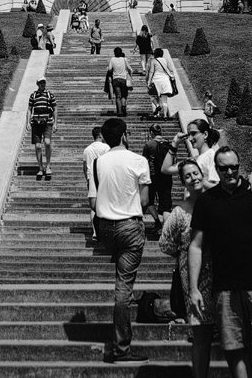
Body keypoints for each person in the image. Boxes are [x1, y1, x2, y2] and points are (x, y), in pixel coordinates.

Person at [189, 146, 252, 378]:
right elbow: (195, 245)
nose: (230, 172)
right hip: (226, 287)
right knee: (235, 349)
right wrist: (193, 288)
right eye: (224, 168)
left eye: (234, 167)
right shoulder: (207, 201)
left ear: (240, 166)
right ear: (216, 169)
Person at [88, 116, 151, 364]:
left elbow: (95, 196)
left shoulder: (98, 162)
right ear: (125, 136)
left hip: (105, 229)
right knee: (123, 288)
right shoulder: (139, 160)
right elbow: (145, 201)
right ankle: (121, 349)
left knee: (121, 275)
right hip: (129, 226)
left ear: (104, 138)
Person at [159, 159, 215, 378]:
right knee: (201, 334)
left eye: (196, 173)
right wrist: (184, 256)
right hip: (194, 278)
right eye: (188, 176)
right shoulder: (180, 213)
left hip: (222, 272)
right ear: (182, 182)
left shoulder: (216, 202)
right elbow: (165, 244)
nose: (194, 178)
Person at [142, 124, 174, 231]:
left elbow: (144, 161)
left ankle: (157, 221)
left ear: (151, 133)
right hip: (166, 176)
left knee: (150, 201)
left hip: (152, 176)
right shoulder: (168, 144)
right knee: (166, 206)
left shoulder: (149, 144)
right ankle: (165, 230)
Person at [82, 126, 110, 240]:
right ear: (100, 135)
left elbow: (84, 167)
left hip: (91, 178)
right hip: (104, 177)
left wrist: (87, 179)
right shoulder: (106, 147)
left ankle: (95, 231)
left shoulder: (87, 149)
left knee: (93, 206)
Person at [28, 77, 56, 181]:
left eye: (43, 83)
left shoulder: (50, 95)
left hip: (47, 123)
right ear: (37, 84)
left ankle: (48, 165)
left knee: (47, 143)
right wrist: (28, 122)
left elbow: (55, 109)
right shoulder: (33, 95)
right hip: (36, 123)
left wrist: (56, 123)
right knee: (38, 146)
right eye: (40, 83)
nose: (42, 84)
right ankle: (40, 167)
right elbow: (29, 109)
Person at [146, 47, 176, 119]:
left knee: (152, 95)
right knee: (164, 99)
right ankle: (165, 115)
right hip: (165, 80)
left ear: (155, 54)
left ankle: (157, 106)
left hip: (156, 80)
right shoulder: (166, 60)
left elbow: (151, 71)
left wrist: (149, 81)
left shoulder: (153, 60)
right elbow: (171, 69)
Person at [106, 47, 133, 117]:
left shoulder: (112, 59)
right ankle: (123, 106)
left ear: (114, 53)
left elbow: (109, 69)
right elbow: (130, 69)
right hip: (123, 79)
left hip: (115, 79)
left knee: (118, 96)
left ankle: (119, 112)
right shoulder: (124, 59)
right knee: (124, 95)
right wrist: (129, 75)